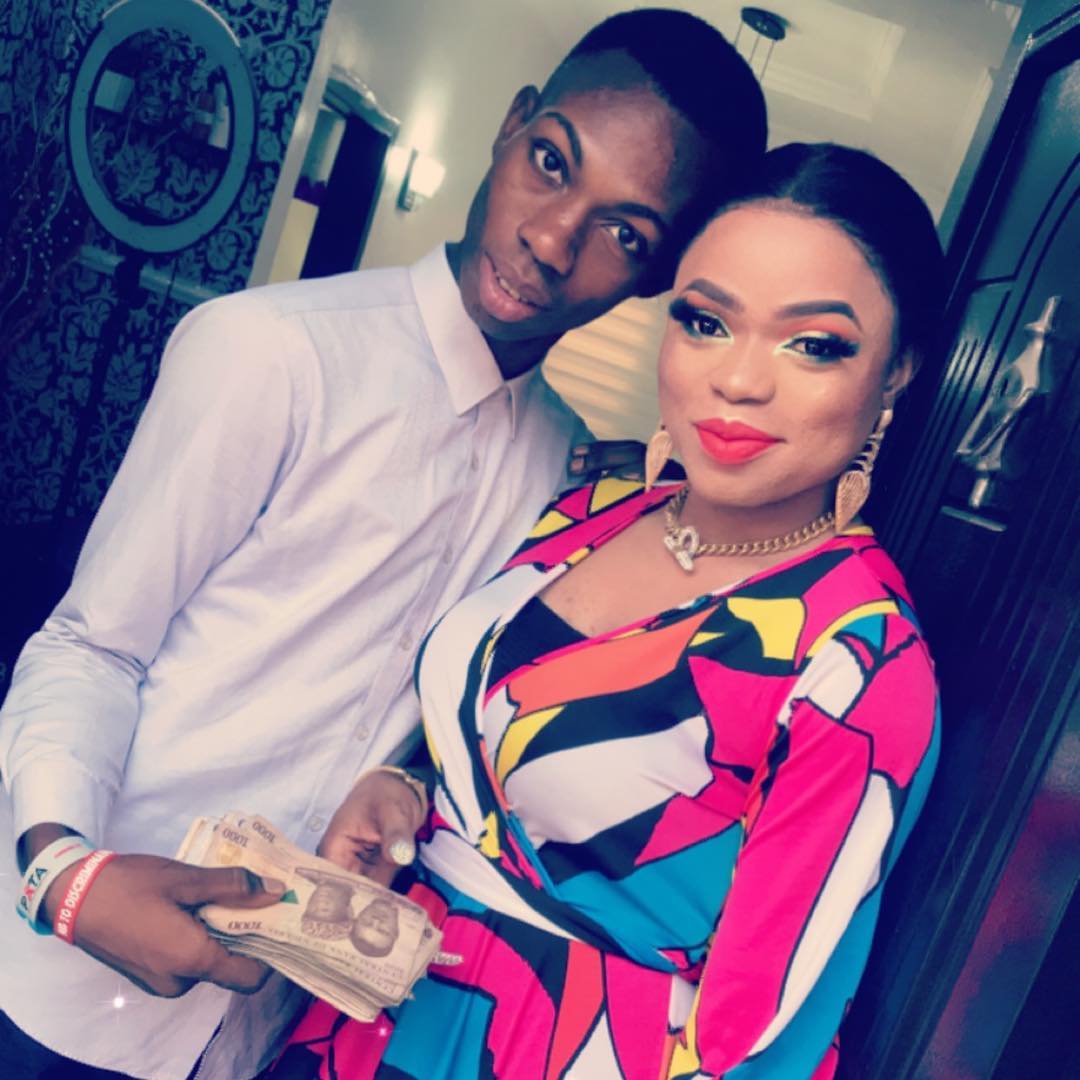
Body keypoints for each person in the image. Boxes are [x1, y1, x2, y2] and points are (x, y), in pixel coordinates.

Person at [0, 10, 767, 1080]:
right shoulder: (270, 353)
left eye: (625, 234)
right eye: (552, 162)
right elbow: (90, 645)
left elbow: (447, 724)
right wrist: (62, 874)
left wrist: (403, 787)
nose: (553, 240)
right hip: (61, 990)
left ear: (655, 277)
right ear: (510, 127)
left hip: (269, 1031)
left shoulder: (573, 481)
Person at [278, 143, 945, 1080]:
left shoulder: (859, 658)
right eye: (707, 322)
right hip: (363, 1014)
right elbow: (498, 745)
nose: (739, 380)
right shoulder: (590, 510)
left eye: (813, 344)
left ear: (897, 371)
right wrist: (408, 790)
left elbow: (765, 1036)